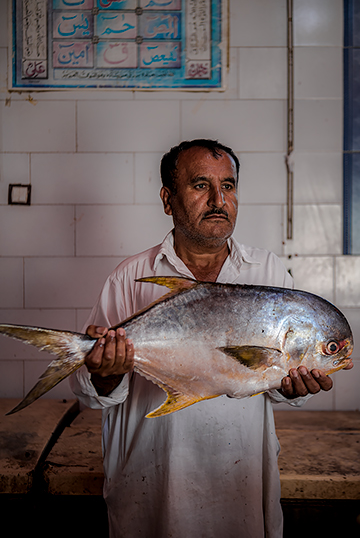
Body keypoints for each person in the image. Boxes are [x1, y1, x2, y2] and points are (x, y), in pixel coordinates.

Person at [71, 139, 352, 538]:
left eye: (229, 186)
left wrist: (294, 389)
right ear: (168, 200)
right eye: (201, 185)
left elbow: (279, 383)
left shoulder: (269, 272)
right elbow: (86, 391)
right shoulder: (129, 277)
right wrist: (103, 373)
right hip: (151, 483)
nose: (219, 199)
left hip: (239, 483)